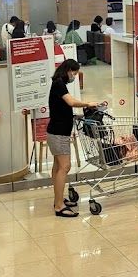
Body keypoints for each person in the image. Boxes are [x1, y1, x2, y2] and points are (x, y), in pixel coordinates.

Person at [47, 59, 104, 217]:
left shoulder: (58, 84)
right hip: (58, 133)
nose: (74, 76)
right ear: (68, 70)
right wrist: (87, 104)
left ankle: (58, 199)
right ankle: (59, 206)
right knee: (64, 167)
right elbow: (71, 102)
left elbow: (62, 108)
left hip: (56, 131)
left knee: (58, 167)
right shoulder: (59, 83)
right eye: (74, 72)